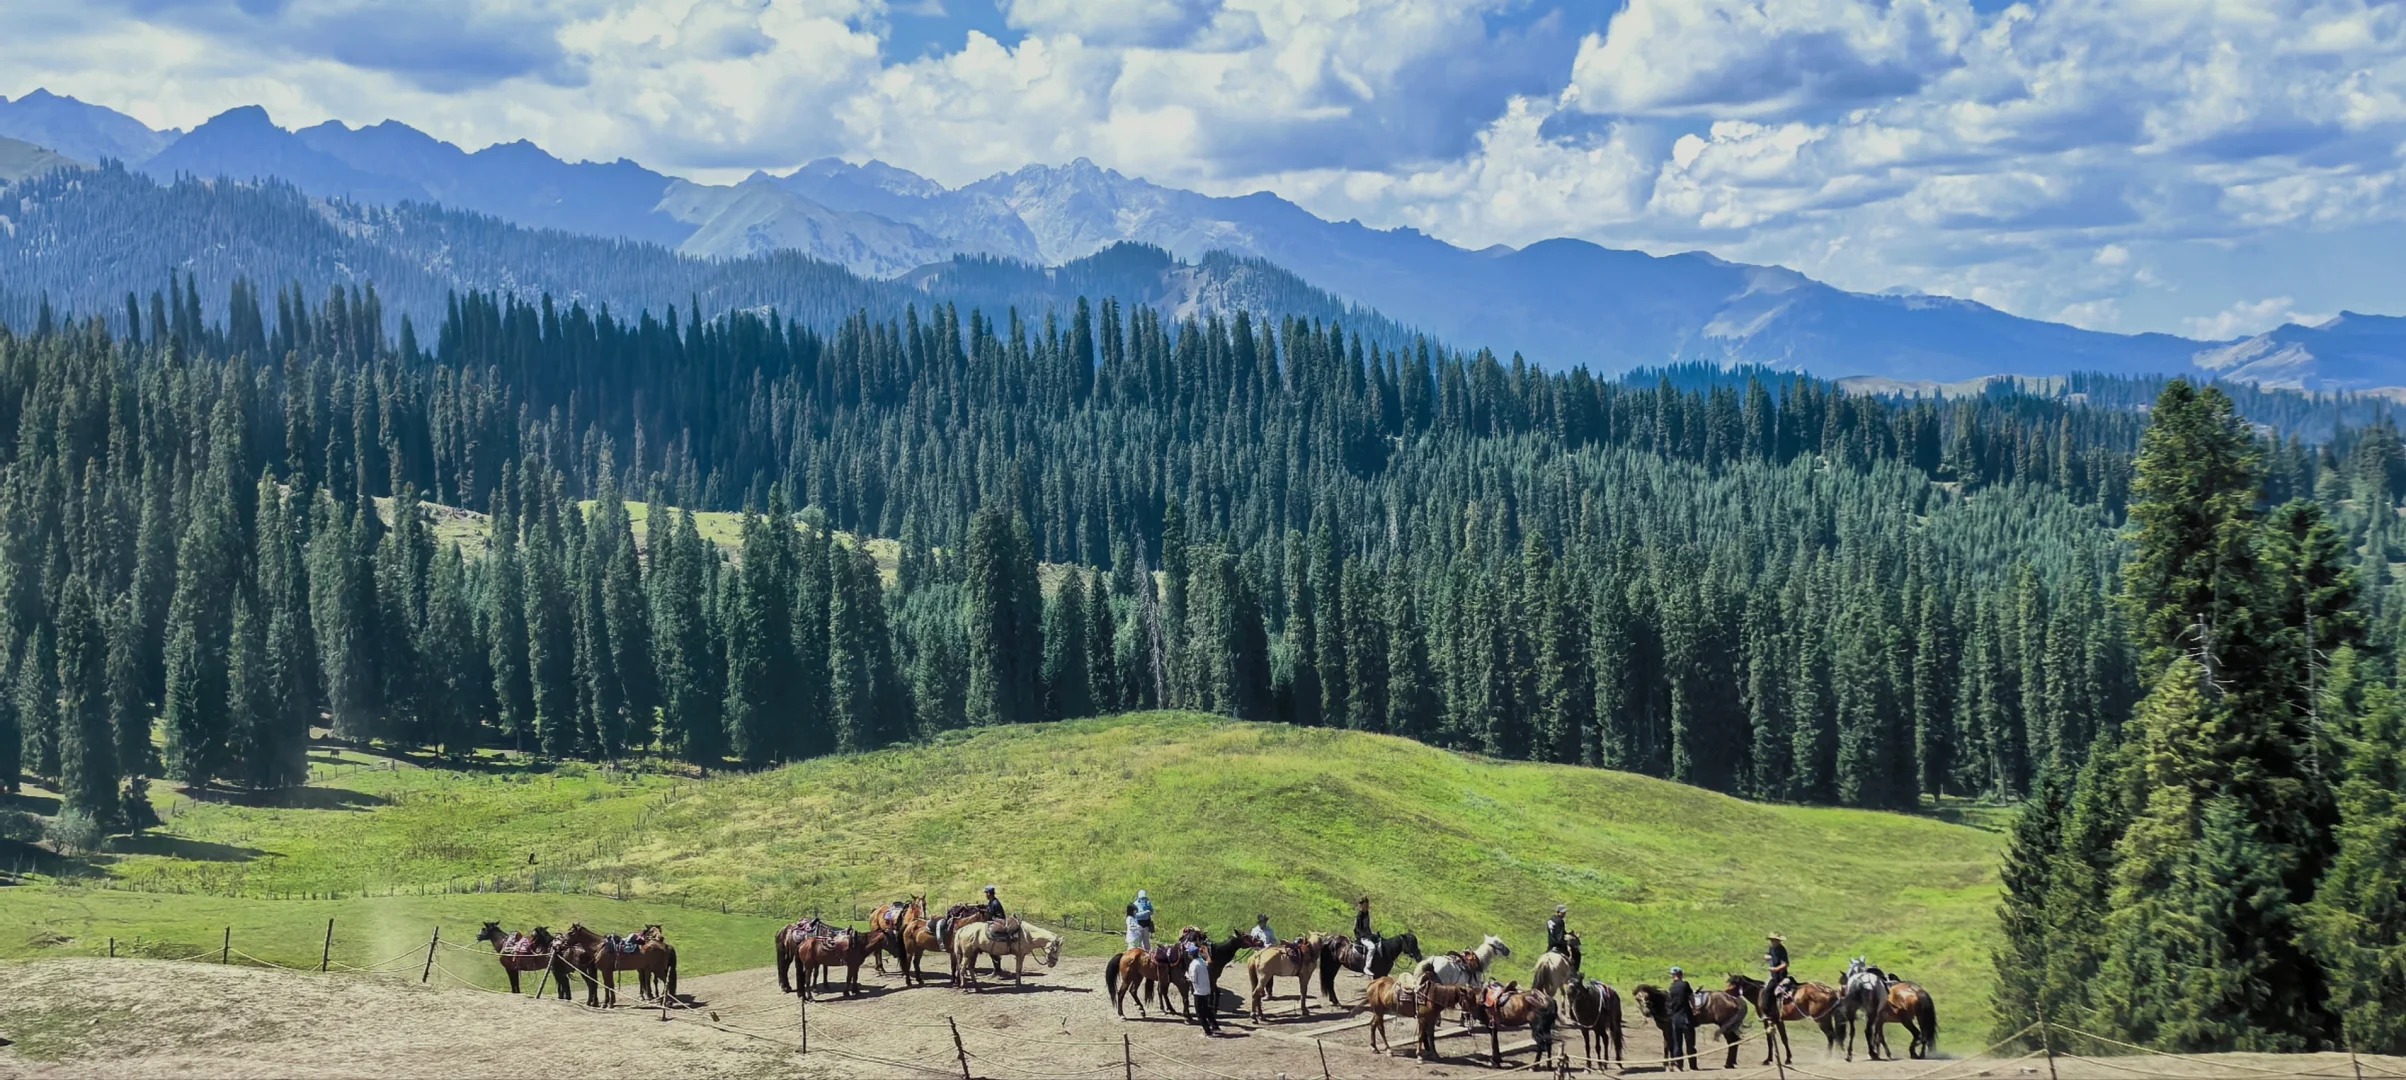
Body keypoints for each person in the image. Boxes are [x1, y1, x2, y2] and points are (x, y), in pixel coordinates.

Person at [1667, 965, 1697, 1071]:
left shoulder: (1671, 988)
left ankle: (1679, 1065)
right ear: (1681, 975)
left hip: (1675, 1019)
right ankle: (1693, 1066)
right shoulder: (1685, 984)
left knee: (1677, 1044)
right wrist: (1695, 1009)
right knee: (1690, 1043)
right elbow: (1691, 998)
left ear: (1672, 976)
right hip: (1686, 1018)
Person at [1188, 942, 1221, 1036]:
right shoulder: (1202, 961)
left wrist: (1187, 977)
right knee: (1207, 1009)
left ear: (1191, 955)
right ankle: (1215, 1025)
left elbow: (1193, 979)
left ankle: (1208, 1031)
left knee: (1199, 1013)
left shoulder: (1193, 965)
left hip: (1199, 992)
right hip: (1206, 989)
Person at [1762, 932, 1793, 1017]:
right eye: (1772, 940)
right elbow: (1769, 955)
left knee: (1768, 991)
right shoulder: (1772, 948)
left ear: (1779, 941)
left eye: (1774, 940)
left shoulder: (1781, 950)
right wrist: (1766, 956)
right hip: (1773, 975)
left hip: (1779, 976)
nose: (1773, 942)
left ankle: (1767, 1013)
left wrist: (1775, 969)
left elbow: (1785, 964)